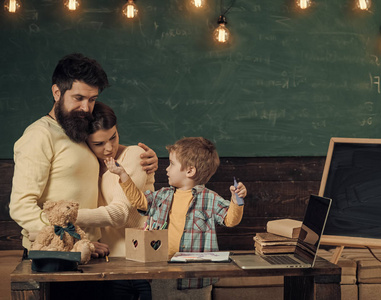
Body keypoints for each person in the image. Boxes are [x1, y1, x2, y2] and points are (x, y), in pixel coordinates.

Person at [9, 53, 158, 260]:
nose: (86, 108)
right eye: (78, 98)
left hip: (92, 250)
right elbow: (21, 206)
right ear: (56, 92)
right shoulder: (39, 135)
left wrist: (143, 156)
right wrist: (71, 239)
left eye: (92, 99)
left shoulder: (78, 129)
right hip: (55, 253)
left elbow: (102, 150)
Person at [105, 136, 247, 299]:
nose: (167, 168)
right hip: (163, 272)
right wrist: (122, 174)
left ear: (190, 171)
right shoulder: (163, 195)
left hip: (196, 278)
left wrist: (236, 201)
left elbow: (231, 220)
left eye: (172, 164)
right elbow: (139, 201)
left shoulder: (210, 199)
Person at [76, 101, 153, 299]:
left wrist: (68, 216)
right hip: (106, 266)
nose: (109, 148)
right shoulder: (90, 167)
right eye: (99, 144)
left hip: (143, 263)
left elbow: (120, 215)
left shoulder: (134, 155)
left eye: (113, 137)